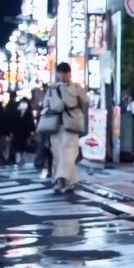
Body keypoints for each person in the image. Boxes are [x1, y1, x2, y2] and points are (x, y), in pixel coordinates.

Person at [43, 62, 88, 193]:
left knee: (68, 152)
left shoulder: (77, 88)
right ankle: (69, 181)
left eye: (65, 73)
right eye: (60, 73)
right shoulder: (52, 89)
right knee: (57, 153)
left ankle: (61, 179)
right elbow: (45, 104)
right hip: (56, 125)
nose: (62, 76)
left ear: (70, 74)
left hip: (71, 124)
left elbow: (85, 103)